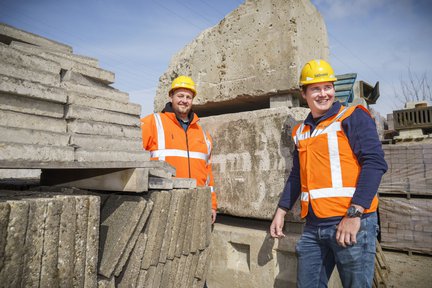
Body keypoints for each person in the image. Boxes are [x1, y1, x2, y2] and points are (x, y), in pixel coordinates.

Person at [270, 59, 388, 287]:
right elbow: (297, 175)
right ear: (304, 93)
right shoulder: (301, 131)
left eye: (328, 87)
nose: (323, 94)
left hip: (352, 222)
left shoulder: (352, 116)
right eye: (316, 88)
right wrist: (281, 210)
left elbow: (374, 164)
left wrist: (354, 216)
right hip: (314, 227)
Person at [141, 75, 217, 224]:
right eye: (180, 95)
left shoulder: (203, 134)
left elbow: (208, 174)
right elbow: (132, 157)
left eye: (188, 97)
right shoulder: (152, 122)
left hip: (196, 204)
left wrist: (212, 204)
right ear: (171, 97)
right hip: (162, 202)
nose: (184, 100)